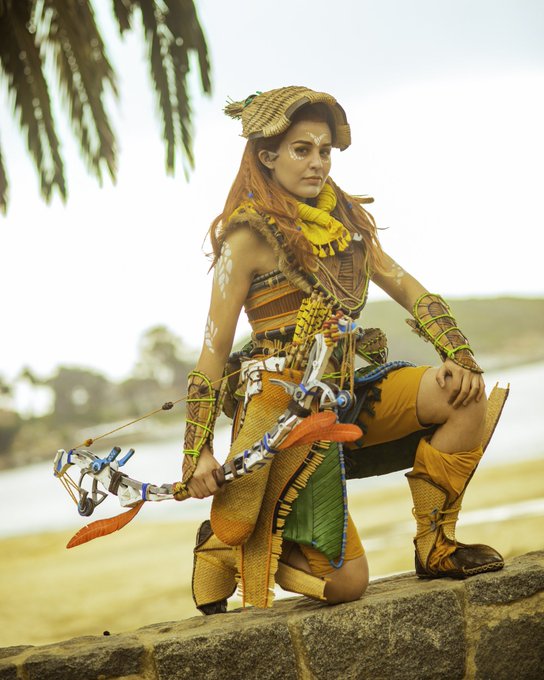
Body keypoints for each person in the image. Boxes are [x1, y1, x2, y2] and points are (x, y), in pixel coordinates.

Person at [171, 86, 504, 614]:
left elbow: (412, 291)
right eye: (302, 149)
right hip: (287, 417)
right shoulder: (245, 238)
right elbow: (213, 354)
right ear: (267, 157)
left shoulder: (347, 226)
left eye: (324, 150)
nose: (318, 162)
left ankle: (436, 545)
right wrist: (198, 454)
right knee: (348, 585)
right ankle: (230, 541)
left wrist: (458, 355)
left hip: (350, 393)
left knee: (464, 396)